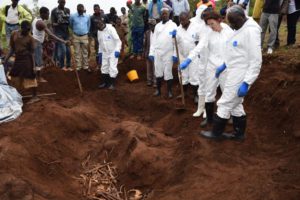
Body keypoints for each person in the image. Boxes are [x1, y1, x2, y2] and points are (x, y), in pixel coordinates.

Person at [200, 5, 262, 140]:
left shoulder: (250, 32)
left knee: (225, 102)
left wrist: (247, 82)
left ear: (240, 18)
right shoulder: (241, 28)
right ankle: (239, 134)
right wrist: (224, 65)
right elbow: (236, 52)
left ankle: (216, 133)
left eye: (233, 23)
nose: (232, 26)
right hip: (233, 70)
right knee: (236, 104)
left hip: (241, 73)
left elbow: (256, 60)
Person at [4, 21, 39, 104]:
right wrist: (5, 60)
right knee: (14, 75)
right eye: (27, 30)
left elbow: (32, 53)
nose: (28, 31)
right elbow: (12, 49)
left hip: (27, 59)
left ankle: (35, 96)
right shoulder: (14, 34)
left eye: (29, 30)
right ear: (22, 28)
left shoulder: (30, 38)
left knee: (30, 76)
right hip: (18, 59)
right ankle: (16, 95)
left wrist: (33, 66)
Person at [32, 7, 69, 83]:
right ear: (43, 13)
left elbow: (36, 33)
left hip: (36, 42)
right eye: (47, 13)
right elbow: (51, 34)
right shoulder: (40, 23)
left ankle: (36, 77)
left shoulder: (35, 20)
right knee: (39, 62)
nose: (48, 15)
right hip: (37, 43)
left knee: (37, 61)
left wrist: (44, 39)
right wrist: (63, 41)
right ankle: (38, 78)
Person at [149, 8, 177, 98]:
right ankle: (158, 90)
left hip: (168, 52)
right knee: (158, 72)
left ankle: (169, 91)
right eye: (162, 14)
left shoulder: (173, 25)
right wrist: (151, 53)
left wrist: (175, 54)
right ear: (160, 15)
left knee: (168, 72)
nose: (164, 15)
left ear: (169, 14)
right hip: (158, 52)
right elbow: (153, 40)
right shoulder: (157, 26)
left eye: (166, 13)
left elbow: (177, 41)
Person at [176, 12, 201, 104]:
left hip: (193, 56)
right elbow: (175, 42)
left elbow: (200, 41)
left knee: (194, 76)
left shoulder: (196, 27)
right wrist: (173, 36)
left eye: (183, 20)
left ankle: (196, 95)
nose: (182, 22)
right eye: (180, 20)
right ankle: (184, 93)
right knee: (183, 76)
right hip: (183, 56)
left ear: (188, 18)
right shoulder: (178, 29)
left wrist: (199, 53)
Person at [97, 20, 122, 90]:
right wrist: (100, 53)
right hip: (104, 52)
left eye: (100, 28)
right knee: (104, 67)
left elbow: (118, 41)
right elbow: (100, 43)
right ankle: (105, 83)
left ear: (103, 24)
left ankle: (112, 84)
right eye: (98, 28)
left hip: (113, 51)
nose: (99, 30)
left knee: (112, 67)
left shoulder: (111, 29)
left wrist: (117, 50)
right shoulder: (99, 31)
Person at [70, 4, 91, 71]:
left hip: (84, 36)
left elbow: (88, 25)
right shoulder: (73, 16)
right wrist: (75, 31)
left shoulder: (87, 16)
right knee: (77, 52)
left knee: (85, 52)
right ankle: (78, 67)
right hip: (76, 36)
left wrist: (86, 31)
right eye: (79, 11)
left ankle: (85, 66)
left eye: (82, 10)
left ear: (83, 10)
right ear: (77, 10)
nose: (81, 12)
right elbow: (70, 25)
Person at [51, 0, 71, 70]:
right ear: (58, 2)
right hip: (58, 33)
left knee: (69, 51)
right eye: (61, 2)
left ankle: (68, 66)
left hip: (66, 33)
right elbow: (52, 23)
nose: (63, 3)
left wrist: (66, 21)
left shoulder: (67, 10)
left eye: (64, 2)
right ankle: (61, 66)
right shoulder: (54, 11)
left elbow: (69, 21)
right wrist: (58, 23)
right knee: (63, 50)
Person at [144, 19, 156, 87]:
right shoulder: (147, 33)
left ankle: (155, 82)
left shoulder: (158, 33)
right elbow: (145, 44)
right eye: (149, 25)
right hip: (148, 52)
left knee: (155, 68)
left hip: (155, 53)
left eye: (151, 25)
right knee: (148, 68)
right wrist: (144, 52)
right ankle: (149, 81)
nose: (150, 26)